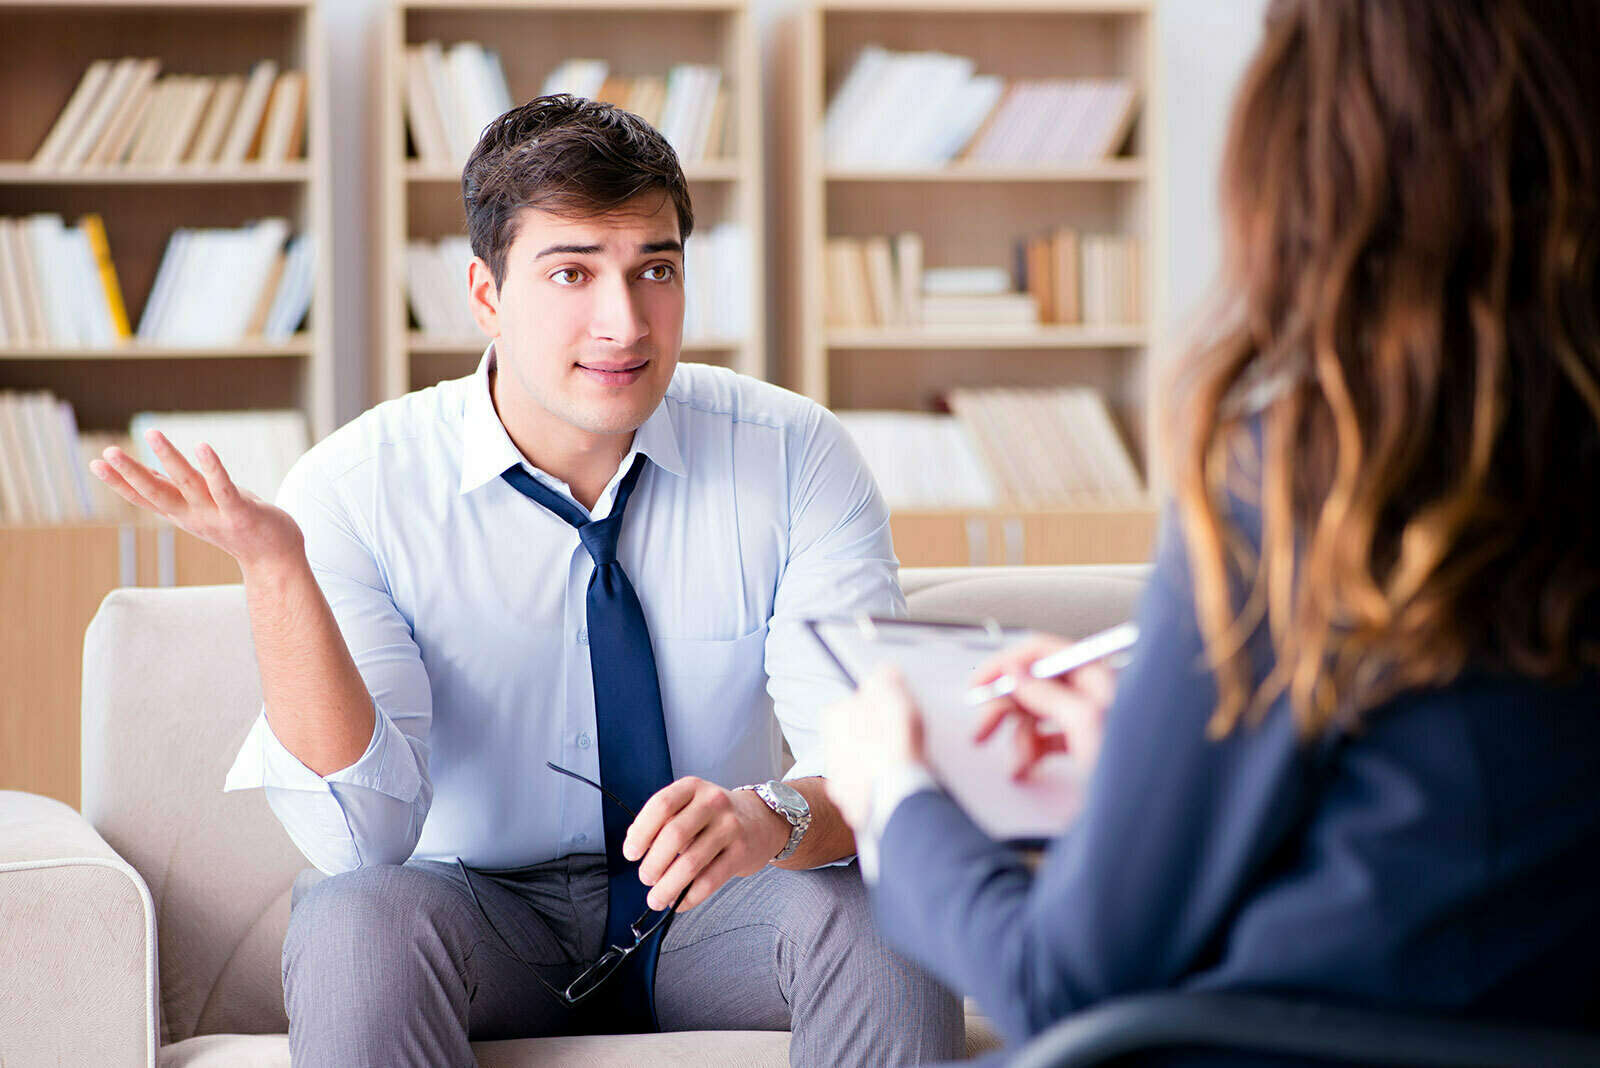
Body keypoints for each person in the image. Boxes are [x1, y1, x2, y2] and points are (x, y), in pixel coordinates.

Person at [89, 94, 962, 1066]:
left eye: (656, 270)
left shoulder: (794, 454)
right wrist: (275, 572)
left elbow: (871, 765)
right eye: (571, 273)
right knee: (357, 918)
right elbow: (359, 840)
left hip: (716, 904)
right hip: (478, 912)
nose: (623, 322)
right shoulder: (357, 486)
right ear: (486, 294)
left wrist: (773, 816)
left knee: (893, 905)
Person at [823, 0, 1600, 1060]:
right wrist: (1144, 761)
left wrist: (895, 798)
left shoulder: (1315, 482)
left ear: (1318, 151)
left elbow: (1057, 984)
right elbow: (1435, 817)